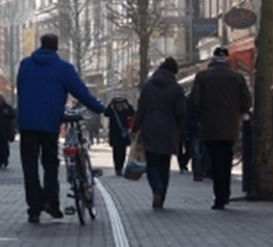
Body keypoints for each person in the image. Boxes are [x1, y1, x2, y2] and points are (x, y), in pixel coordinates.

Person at [17, 33, 105, 224]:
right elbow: (81, 92)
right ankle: (51, 201)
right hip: (49, 122)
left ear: (41, 45)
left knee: (29, 166)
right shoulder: (63, 68)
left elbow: (22, 90)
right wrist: (101, 108)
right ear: (56, 47)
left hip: (27, 123)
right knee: (50, 163)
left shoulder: (25, 64)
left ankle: (34, 209)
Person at [189, 47, 252, 210]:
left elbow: (194, 102)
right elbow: (247, 102)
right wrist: (237, 113)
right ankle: (225, 194)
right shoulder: (237, 77)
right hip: (230, 126)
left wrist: (199, 116)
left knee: (215, 161)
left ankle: (219, 197)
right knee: (226, 158)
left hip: (209, 126)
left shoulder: (202, 77)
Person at [132, 57, 185, 209]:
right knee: (164, 164)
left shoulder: (148, 86)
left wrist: (135, 128)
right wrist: (179, 126)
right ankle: (162, 196)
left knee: (152, 163)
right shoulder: (176, 88)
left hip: (149, 127)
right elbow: (181, 111)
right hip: (168, 129)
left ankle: (156, 187)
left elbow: (140, 110)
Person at [104, 97, 135, 176]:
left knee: (123, 152)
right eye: (118, 103)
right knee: (116, 152)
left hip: (123, 136)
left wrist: (127, 103)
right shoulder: (113, 112)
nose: (119, 105)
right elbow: (106, 113)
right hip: (115, 135)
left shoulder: (125, 111)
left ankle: (120, 167)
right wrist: (110, 104)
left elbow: (133, 112)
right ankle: (117, 168)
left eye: (121, 103)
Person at [0, 93, 15, 168]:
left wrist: (7, 114)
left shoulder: (7, 107)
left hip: (5, 130)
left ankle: (5, 159)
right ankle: (0, 160)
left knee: (5, 146)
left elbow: (13, 116)